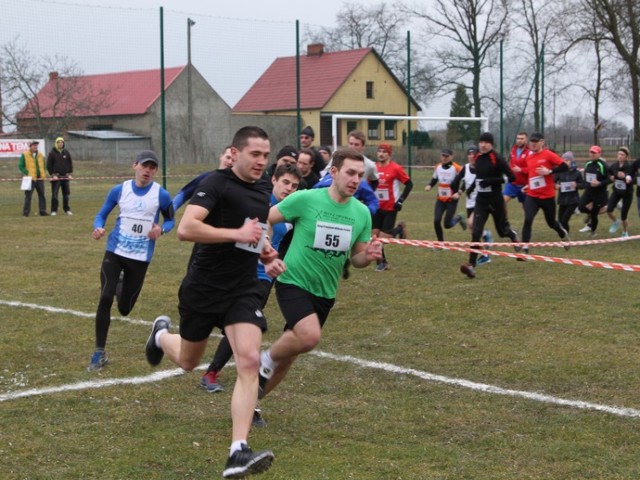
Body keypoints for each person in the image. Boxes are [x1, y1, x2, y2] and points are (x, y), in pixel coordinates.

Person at [144, 126, 281, 478]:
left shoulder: (264, 187)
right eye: (255, 154)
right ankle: (160, 336)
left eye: (266, 156)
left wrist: (265, 253)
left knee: (249, 360)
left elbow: (254, 228)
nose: (261, 162)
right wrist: (236, 234)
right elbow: (188, 228)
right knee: (189, 360)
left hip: (242, 288)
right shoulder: (214, 183)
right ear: (235, 153)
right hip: (203, 289)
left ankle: (238, 451)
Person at [257, 148, 382, 403]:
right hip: (293, 280)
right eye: (350, 173)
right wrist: (267, 245)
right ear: (334, 172)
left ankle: (253, 401)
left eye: (360, 175)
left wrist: (368, 256)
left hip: (325, 292)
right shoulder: (306, 199)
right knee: (310, 336)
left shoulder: (361, 213)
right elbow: (267, 218)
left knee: (290, 355)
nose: (355, 180)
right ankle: (266, 358)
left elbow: (357, 260)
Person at [200, 163, 302, 408]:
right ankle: (211, 372)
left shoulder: (290, 210)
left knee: (244, 323)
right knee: (239, 324)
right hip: (242, 273)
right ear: (274, 180)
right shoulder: (259, 203)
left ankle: (213, 372)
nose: (289, 189)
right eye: (285, 183)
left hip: (265, 277)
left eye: (295, 185)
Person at [88, 150, 174, 371]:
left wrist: (161, 229)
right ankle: (99, 353)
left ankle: (120, 283)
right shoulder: (120, 190)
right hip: (115, 252)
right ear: (134, 165)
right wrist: (98, 226)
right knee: (105, 297)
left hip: (139, 258)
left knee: (125, 308)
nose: (148, 170)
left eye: (152, 167)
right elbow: (102, 214)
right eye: (144, 165)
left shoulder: (161, 195)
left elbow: (171, 219)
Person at [460, 132, 520, 279]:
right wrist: (472, 188)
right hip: (481, 201)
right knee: (476, 231)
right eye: (481, 142)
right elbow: (479, 178)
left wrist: (492, 180)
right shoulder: (478, 158)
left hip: (496, 201)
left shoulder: (497, 158)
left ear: (491, 144)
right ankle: (471, 266)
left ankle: (513, 235)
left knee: (502, 231)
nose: (483, 144)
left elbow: (511, 177)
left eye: (486, 142)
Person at [519, 132, 570, 255]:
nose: (534, 144)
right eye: (532, 141)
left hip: (547, 196)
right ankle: (525, 249)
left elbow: (565, 167)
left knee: (551, 223)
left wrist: (549, 171)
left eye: (536, 141)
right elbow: (532, 174)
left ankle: (562, 233)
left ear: (542, 142)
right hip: (532, 195)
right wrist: (528, 185)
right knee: (528, 219)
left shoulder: (548, 154)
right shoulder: (529, 157)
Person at [372, 142, 413, 271]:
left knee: (383, 239)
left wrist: (400, 200)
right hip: (377, 207)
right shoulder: (373, 168)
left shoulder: (395, 168)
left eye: (384, 152)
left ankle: (399, 229)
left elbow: (409, 184)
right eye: (379, 151)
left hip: (390, 207)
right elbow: (370, 185)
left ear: (389, 154)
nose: (381, 154)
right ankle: (382, 263)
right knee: (375, 237)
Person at [451, 145, 491, 265]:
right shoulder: (466, 168)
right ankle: (485, 251)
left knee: (471, 223)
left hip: (481, 202)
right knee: (474, 232)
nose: (471, 158)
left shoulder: (483, 168)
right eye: (469, 155)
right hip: (469, 203)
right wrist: (458, 192)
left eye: (474, 156)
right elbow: (464, 182)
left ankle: (485, 246)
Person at [172, 145, 233, 211]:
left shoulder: (238, 182)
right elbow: (184, 194)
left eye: (233, 160)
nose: (230, 162)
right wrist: (171, 211)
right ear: (221, 156)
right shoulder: (206, 177)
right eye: (228, 157)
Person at [424, 148, 467, 241]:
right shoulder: (438, 167)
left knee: (447, 225)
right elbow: (434, 179)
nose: (444, 158)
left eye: (446, 156)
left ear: (451, 157)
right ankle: (440, 243)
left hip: (452, 200)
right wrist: (429, 185)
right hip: (440, 199)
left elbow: (466, 181)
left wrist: (459, 192)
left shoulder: (457, 168)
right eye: (442, 155)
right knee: (436, 221)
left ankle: (459, 218)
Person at [578, 145, 611, 237]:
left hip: (599, 194)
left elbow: (609, 180)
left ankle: (593, 232)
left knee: (594, 214)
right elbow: (585, 179)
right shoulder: (587, 163)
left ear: (599, 154)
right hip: (589, 192)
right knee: (581, 207)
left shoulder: (602, 165)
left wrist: (599, 183)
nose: (592, 154)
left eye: (594, 153)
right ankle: (589, 215)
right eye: (591, 152)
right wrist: (583, 185)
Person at [605, 146, 634, 237]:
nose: (620, 156)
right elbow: (608, 172)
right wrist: (610, 177)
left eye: (622, 155)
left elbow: (633, 180)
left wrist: (625, 177)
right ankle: (615, 222)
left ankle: (625, 232)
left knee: (623, 215)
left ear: (626, 157)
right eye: (619, 154)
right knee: (609, 209)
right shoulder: (614, 165)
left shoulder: (629, 167)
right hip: (617, 191)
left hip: (627, 194)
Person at [555, 151, 584, 233]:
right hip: (562, 200)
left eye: (567, 160)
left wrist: (577, 185)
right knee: (560, 221)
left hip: (573, 200)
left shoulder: (577, 173)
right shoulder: (559, 172)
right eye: (563, 160)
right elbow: (553, 181)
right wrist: (555, 186)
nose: (565, 162)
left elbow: (583, 185)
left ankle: (566, 239)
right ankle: (564, 238)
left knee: (564, 221)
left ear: (571, 161)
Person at [18, 140, 48, 217]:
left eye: (36, 145)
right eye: (34, 145)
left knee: (42, 195)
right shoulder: (25, 155)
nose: (35, 147)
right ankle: (26, 212)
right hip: (30, 179)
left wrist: (43, 173)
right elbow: (20, 166)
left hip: (39, 178)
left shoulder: (40, 155)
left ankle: (43, 211)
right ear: (30, 146)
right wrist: (28, 173)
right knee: (28, 196)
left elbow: (43, 165)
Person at [503, 131, 530, 214]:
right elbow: (511, 165)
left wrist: (521, 170)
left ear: (526, 140)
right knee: (501, 203)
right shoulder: (513, 149)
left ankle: (527, 225)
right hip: (512, 183)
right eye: (518, 138)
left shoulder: (530, 152)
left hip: (525, 185)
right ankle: (505, 225)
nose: (519, 140)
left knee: (527, 208)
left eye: (522, 139)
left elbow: (532, 169)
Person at [46, 136, 74, 215]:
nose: (60, 144)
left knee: (66, 195)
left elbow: (70, 163)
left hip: (65, 177)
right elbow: (48, 165)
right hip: (56, 177)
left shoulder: (66, 152)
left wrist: (69, 173)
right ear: (56, 143)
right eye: (58, 142)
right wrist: (52, 175)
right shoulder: (52, 153)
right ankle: (54, 210)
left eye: (61, 142)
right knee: (55, 195)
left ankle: (67, 209)